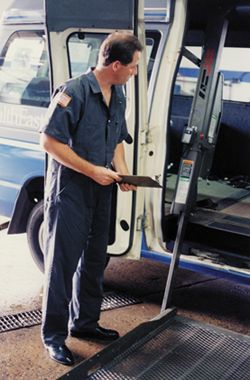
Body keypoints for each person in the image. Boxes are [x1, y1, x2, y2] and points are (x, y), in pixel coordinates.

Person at [40, 31, 143, 366]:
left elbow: (116, 141)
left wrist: (122, 173)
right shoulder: (74, 91)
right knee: (62, 265)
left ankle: (85, 323)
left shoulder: (119, 93)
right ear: (115, 64)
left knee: (96, 259)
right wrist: (91, 171)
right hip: (71, 191)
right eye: (133, 66)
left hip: (102, 190)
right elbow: (50, 143)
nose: (135, 72)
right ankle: (54, 337)